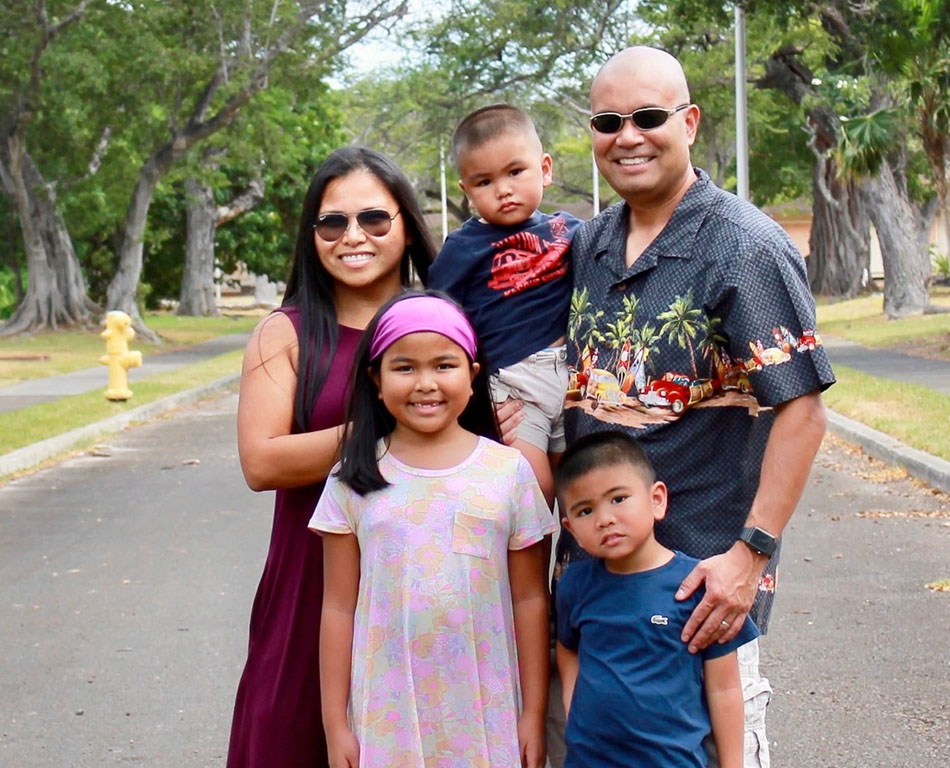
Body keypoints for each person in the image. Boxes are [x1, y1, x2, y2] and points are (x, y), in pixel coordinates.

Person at [544, 46, 837, 767]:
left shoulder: (745, 247)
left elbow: (802, 411)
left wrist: (750, 557)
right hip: (595, 590)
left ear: (690, 122)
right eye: (608, 121)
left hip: (699, 592)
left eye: (648, 116)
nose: (628, 136)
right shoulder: (592, 241)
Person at [228, 147, 436, 768]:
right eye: (331, 222)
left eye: (374, 219)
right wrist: (381, 424)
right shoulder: (285, 332)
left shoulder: (445, 320)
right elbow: (261, 462)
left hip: (427, 587)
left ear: (405, 224)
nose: (353, 237)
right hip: (309, 588)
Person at [309, 291, 556, 768]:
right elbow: (338, 606)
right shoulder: (353, 478)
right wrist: (334, 724)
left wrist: (533, 713)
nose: (426, 383)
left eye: (444, 365)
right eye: (404, 368)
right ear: (375, 381)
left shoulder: (509, 473)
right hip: (387, 716)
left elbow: (530, 599)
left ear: (473, 376)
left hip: (488, 710)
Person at [554, 431, 758, 768]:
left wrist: (733, 764)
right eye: (585, 510)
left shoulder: (700, 587)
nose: (604, 518)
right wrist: (575, 705)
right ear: (571, 528)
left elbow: (724, 689)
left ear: (657, 499)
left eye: (618, 499)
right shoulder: (575, 585)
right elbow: (567, 647)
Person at [428, 104, 581, 506]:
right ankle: (525, 570)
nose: (503, 189)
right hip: (513, 386)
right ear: (466, 191)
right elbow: (437, 325)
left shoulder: (570, 231)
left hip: (572, 381)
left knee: (578, 491)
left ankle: (573, 572)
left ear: (544, 169)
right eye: (484, 181)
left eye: (515, 172)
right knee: (533, 492)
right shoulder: (462, 250)